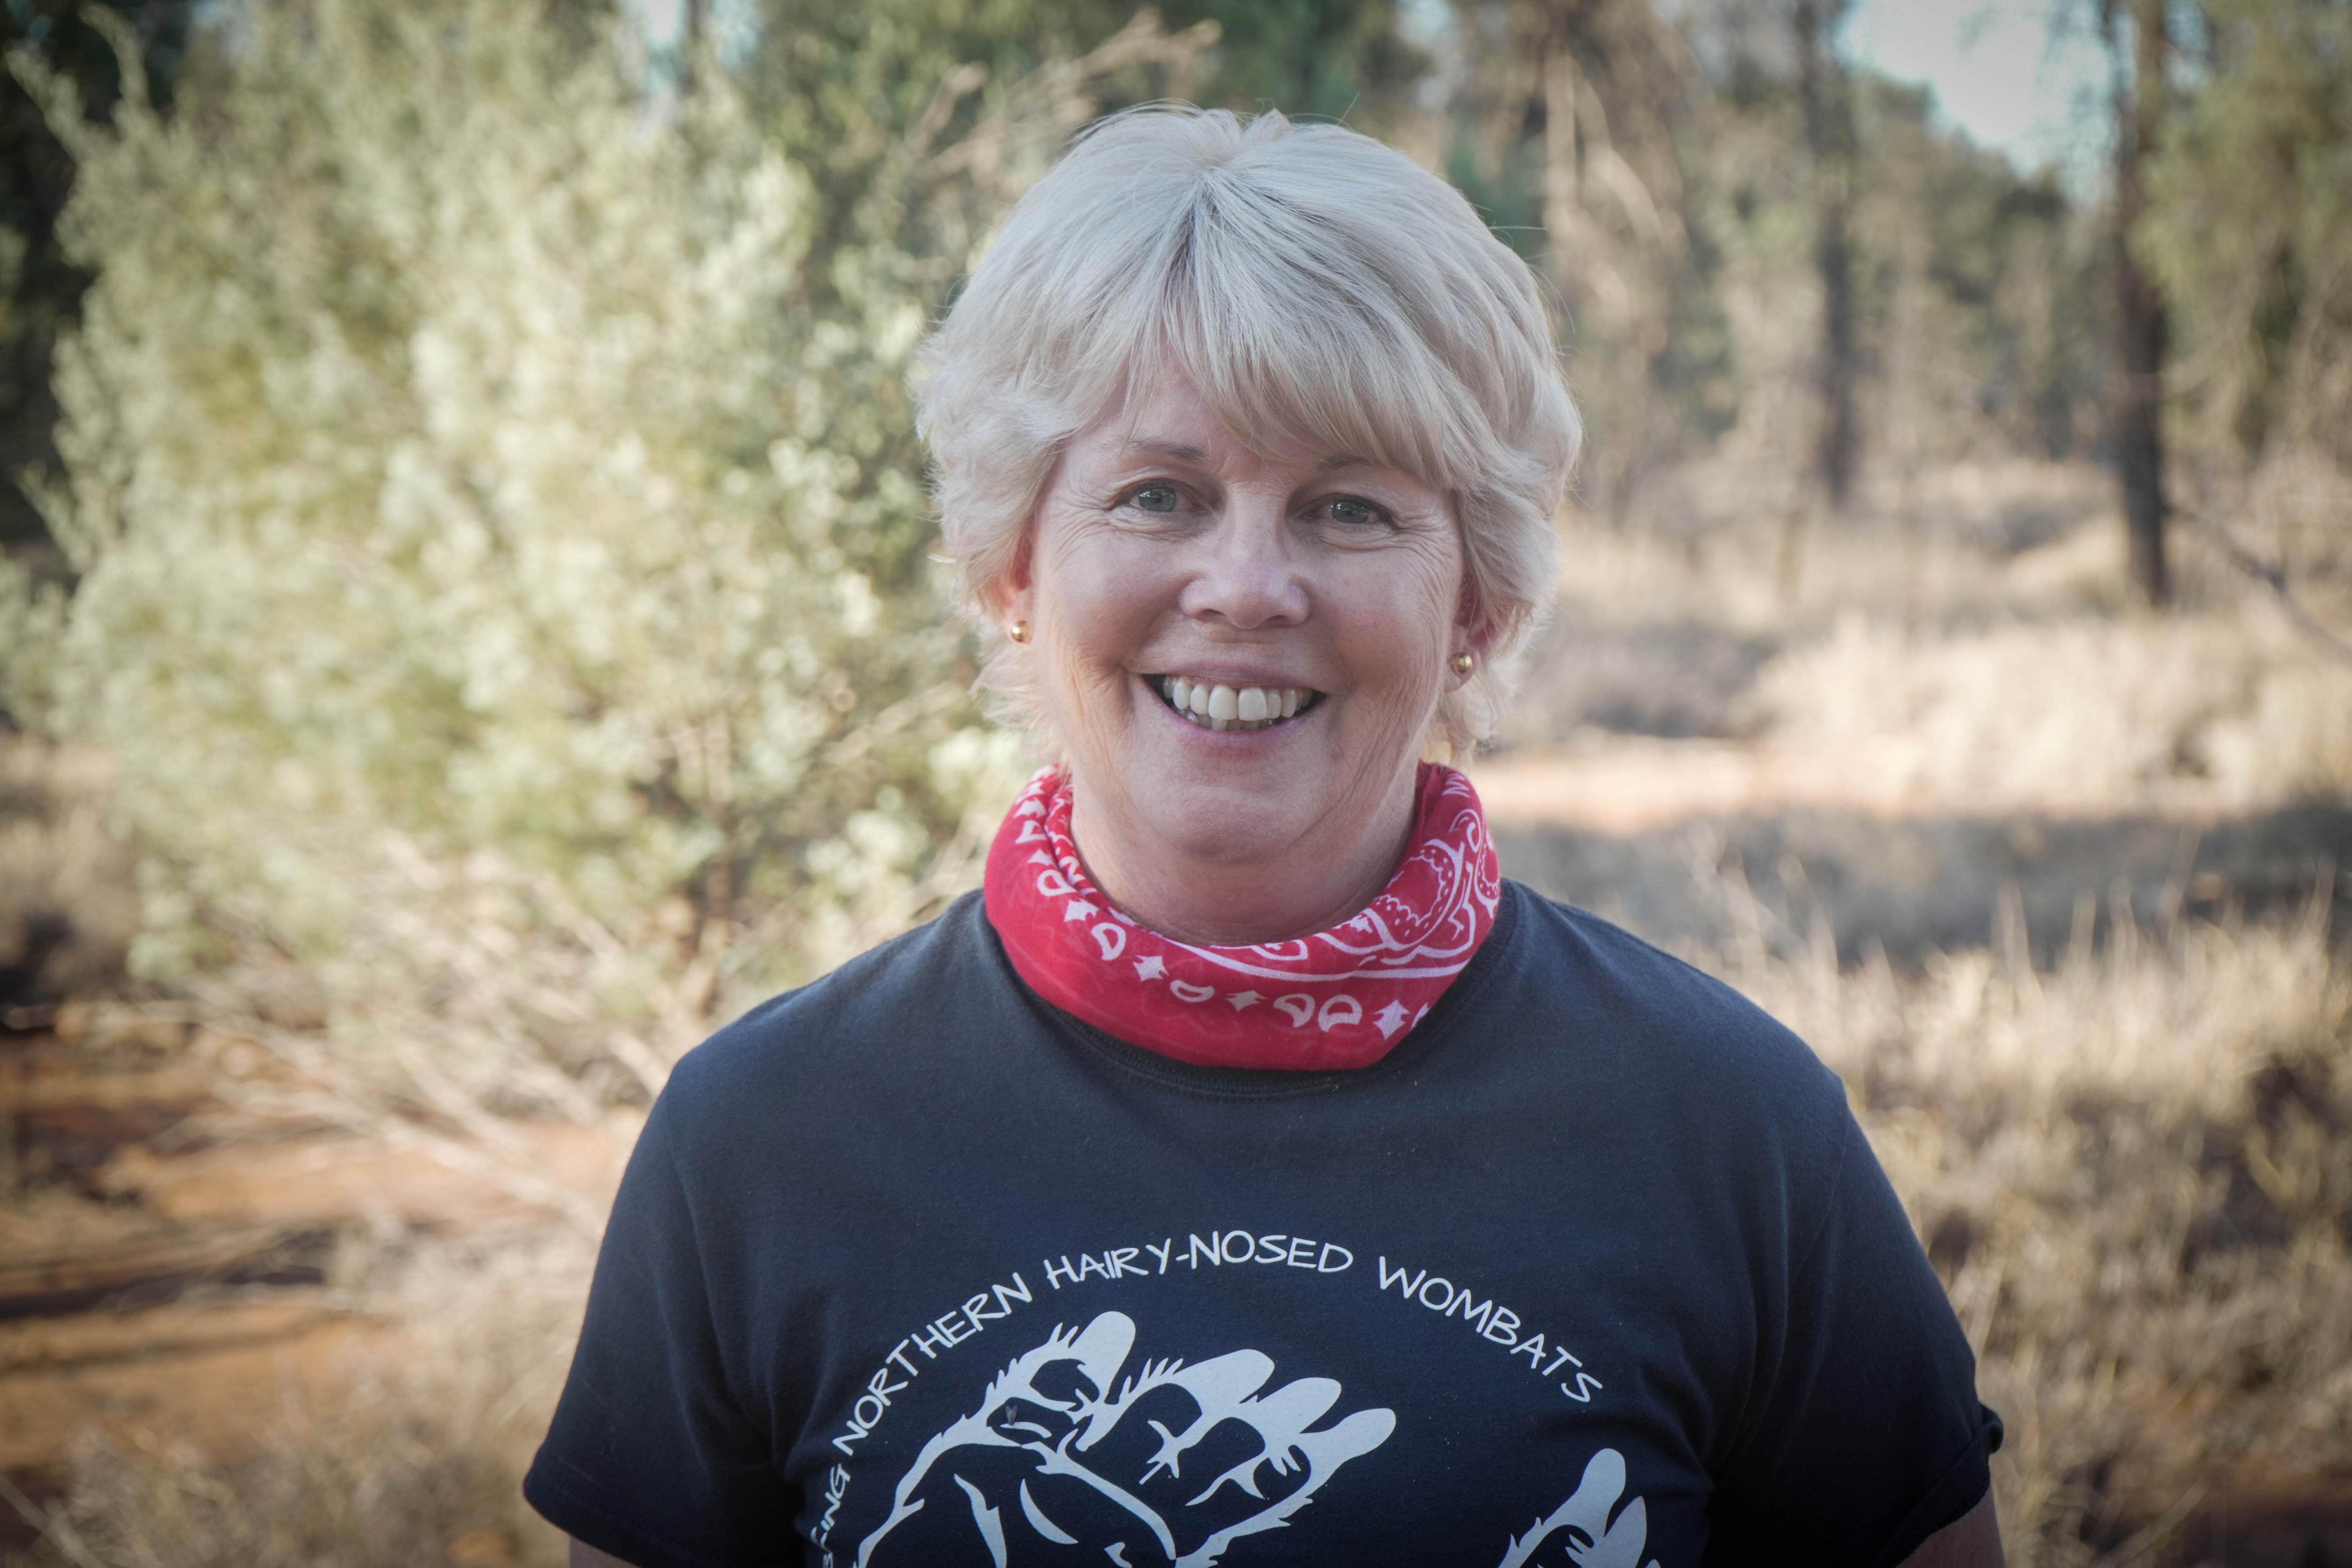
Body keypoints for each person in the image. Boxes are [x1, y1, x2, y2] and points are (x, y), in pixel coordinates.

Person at [525, 106, 2005, 1568]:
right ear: (1010, 567)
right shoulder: (762, 1140)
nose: (1247, 587)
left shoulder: (1732, 1130)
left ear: (1477, 604)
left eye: (1350, 509)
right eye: (1158, 494)